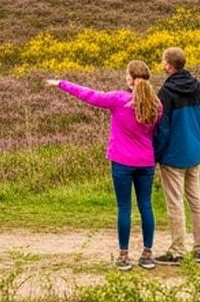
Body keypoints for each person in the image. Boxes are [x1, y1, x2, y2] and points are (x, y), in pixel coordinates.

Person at [46, 60, 162, 270]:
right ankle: (147, 254)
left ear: (129, 79)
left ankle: (124, 256)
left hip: (122, 162)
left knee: (124, 208)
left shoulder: (119, 100)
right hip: (146, 162)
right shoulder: (156, 105)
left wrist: (61, 83)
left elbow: (89, 95)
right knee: (146, 205)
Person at [154, 47, 200, 264]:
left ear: (169, 65)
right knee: (196, 200)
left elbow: (163, 128)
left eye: (163, 61)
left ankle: (177, 250)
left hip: (173, 155)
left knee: (175, 203)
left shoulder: (166, 93)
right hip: (194, 152)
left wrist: (157, 153)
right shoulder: (199, 88)